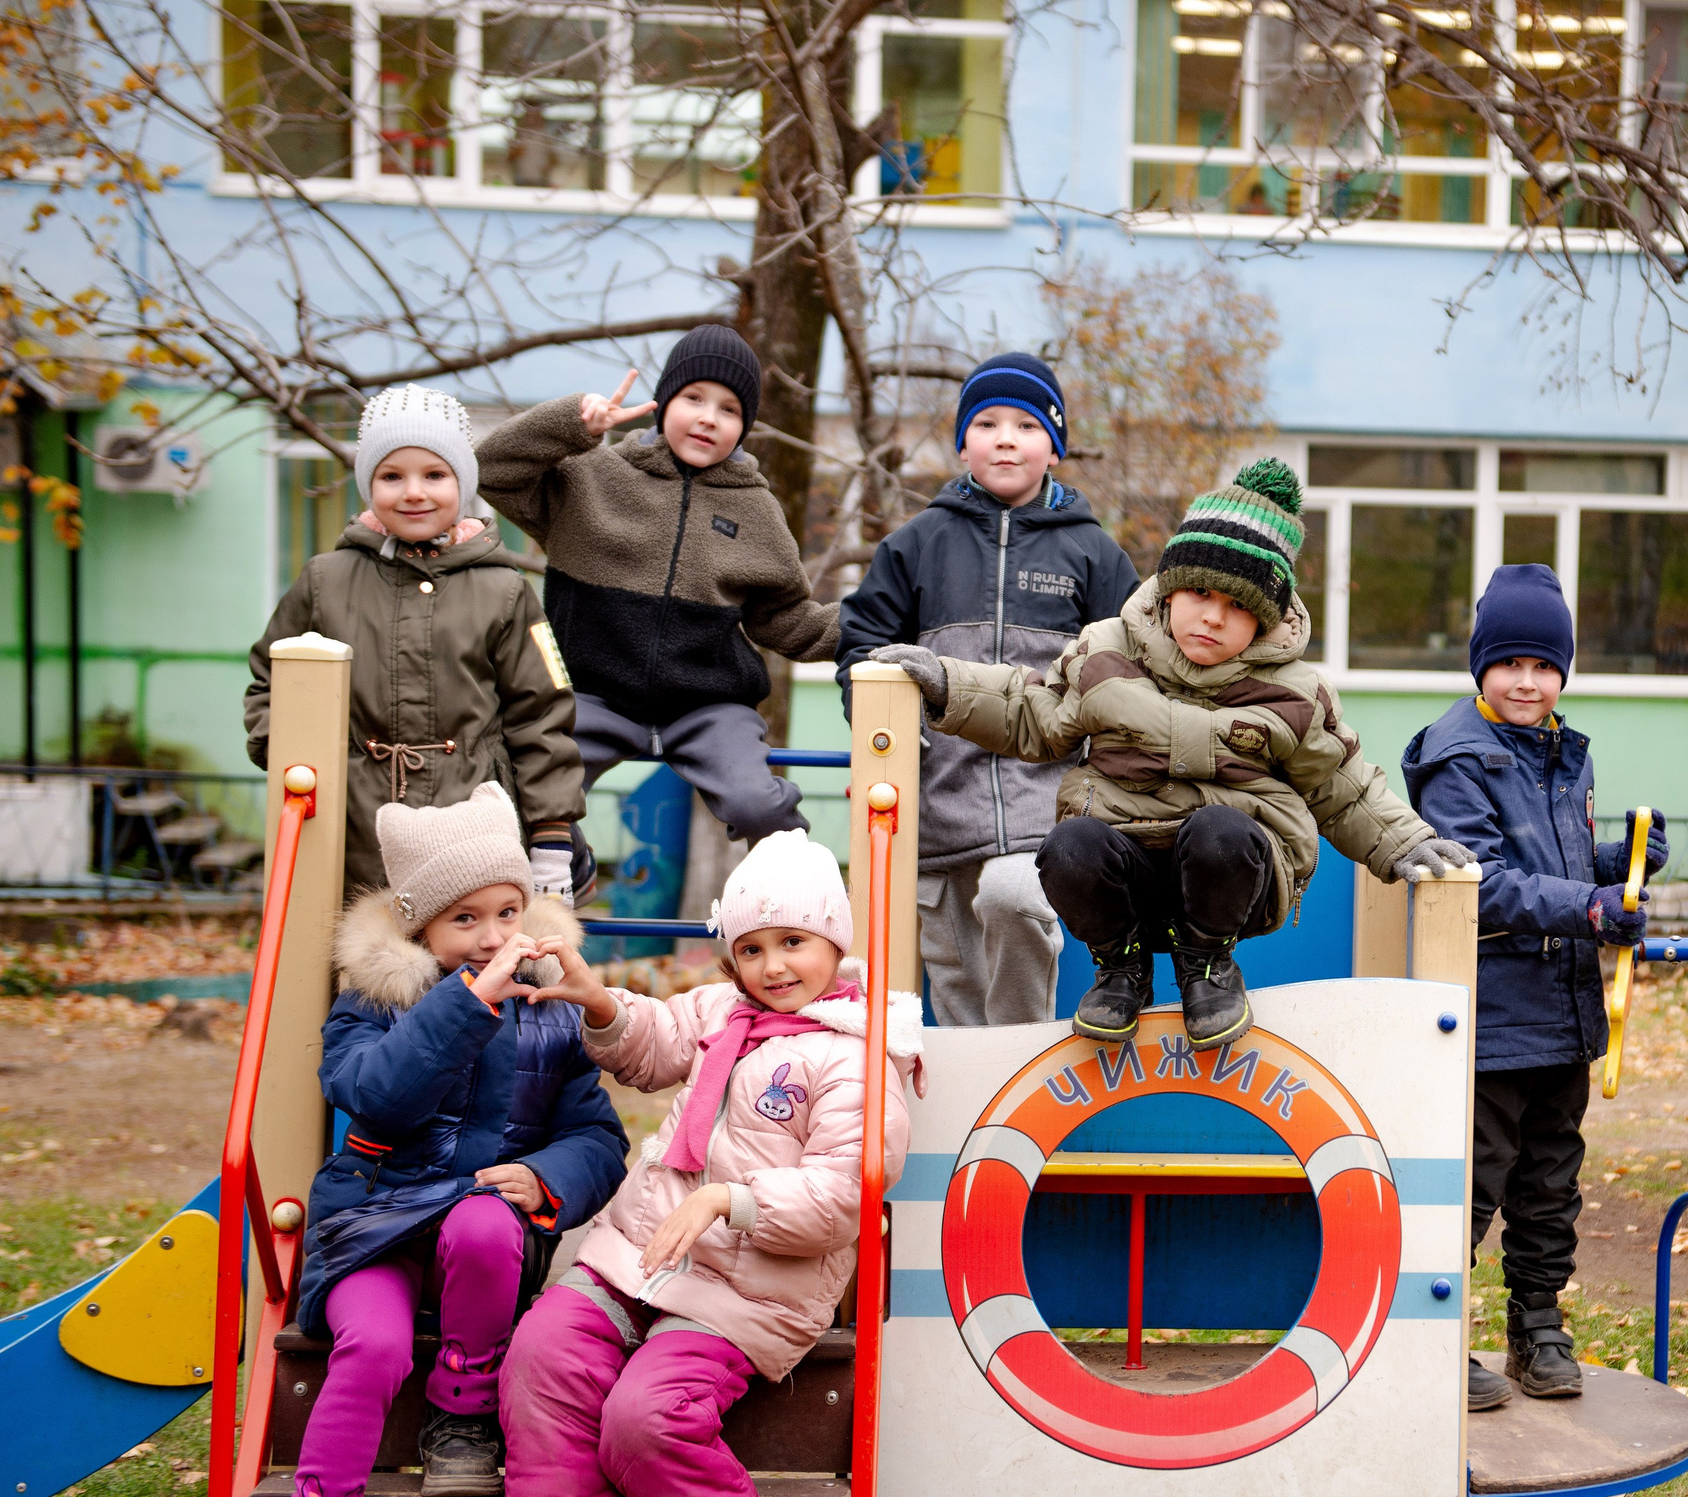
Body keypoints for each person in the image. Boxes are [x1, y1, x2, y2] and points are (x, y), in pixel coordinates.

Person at [871, 458, 1474, 1050]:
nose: (1212, 617)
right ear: (1168, 588)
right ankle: (1120, 967)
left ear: (1266, 621)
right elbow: (1031, 711)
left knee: (1220, 831)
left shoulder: (1293, 692)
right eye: (1200, 593)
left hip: (1231, 878)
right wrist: (948, 683)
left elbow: (1340, 785)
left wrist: (1406, 844)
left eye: (1238, 607)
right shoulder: (1106, 651)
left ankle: (1208, 965)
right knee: (1069, 845)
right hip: (1124, 871)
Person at [499, 830, 918, 1497]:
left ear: (835, 941)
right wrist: (597, 1000)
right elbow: (652, 1040)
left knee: (645, 1417)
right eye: (751, 948)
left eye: (793, 941)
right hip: (644, 1250)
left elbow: (844, 1191)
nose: (772, 965)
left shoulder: (857, 1054)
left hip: (747, 1289)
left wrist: (733, 1200)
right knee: (539, 1353)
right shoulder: (722, 1012)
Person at [261, 782, 629, 1497]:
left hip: (478, 1244)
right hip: (374, 1229)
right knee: (374, 1346)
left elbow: (598, 1137)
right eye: (466, 919)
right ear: (420, 928)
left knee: (485, 1222)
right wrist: (463, 1006)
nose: (495, 937)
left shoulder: (550, 1013)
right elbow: (375, 1095)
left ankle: (462, 1411)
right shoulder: (373, 1003)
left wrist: (545, 1175)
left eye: (508, 911)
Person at [1401, 563, 1671, 1410]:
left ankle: (1537, 1326)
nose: (1527, 681)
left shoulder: (1561, 750)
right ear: (1480, 666)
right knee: (1474, 1183)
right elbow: (1481, 879)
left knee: (1551, 1183)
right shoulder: (1457, 757)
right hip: (1489, 1014)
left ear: (1564, 671)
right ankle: (1431, 1337)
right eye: (1510, 664)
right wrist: (1589, 908)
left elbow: (1552, 861)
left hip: (1561, 1009)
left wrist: (1617, 864)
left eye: (1544, 665)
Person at [835, 352, 1140, 1027]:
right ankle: (970, 1087)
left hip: (1043, 803)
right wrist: (886, 729)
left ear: (1054, 449)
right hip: (939, 803)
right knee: (955, 980)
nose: (1006, 439)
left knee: (1013, 899)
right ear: (963, 443)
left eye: (1028, 426)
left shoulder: (1093, 552)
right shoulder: (918, 543)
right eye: (988, 423)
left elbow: (1130, 665)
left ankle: (1019, 1059)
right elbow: (862, 646)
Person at [475, 327, 839, 845]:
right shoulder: (591, 477)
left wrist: (878, 625)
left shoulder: (755, 509)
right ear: (664, 402)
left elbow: (786, 618)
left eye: (729, 409)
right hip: (591, 697)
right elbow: (491, 469)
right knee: (524, 793)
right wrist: (571, 424)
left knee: (755, 803)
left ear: (744, 427)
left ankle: (799, 872)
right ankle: (571, 871)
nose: (709, 418)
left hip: (708, 708)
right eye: (693, 398)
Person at [245, 385, 583, 905]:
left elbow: (541, 716)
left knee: (468, 948)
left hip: (474, 821)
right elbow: (271, 683)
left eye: (434, 475)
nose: (413, 492)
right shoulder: (325, 581)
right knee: (362, 951)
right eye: (391, 476)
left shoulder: (504, 590)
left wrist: (551, 840)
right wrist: (295, 758)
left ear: (462, 482)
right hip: (350, 824)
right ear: (369, 485)